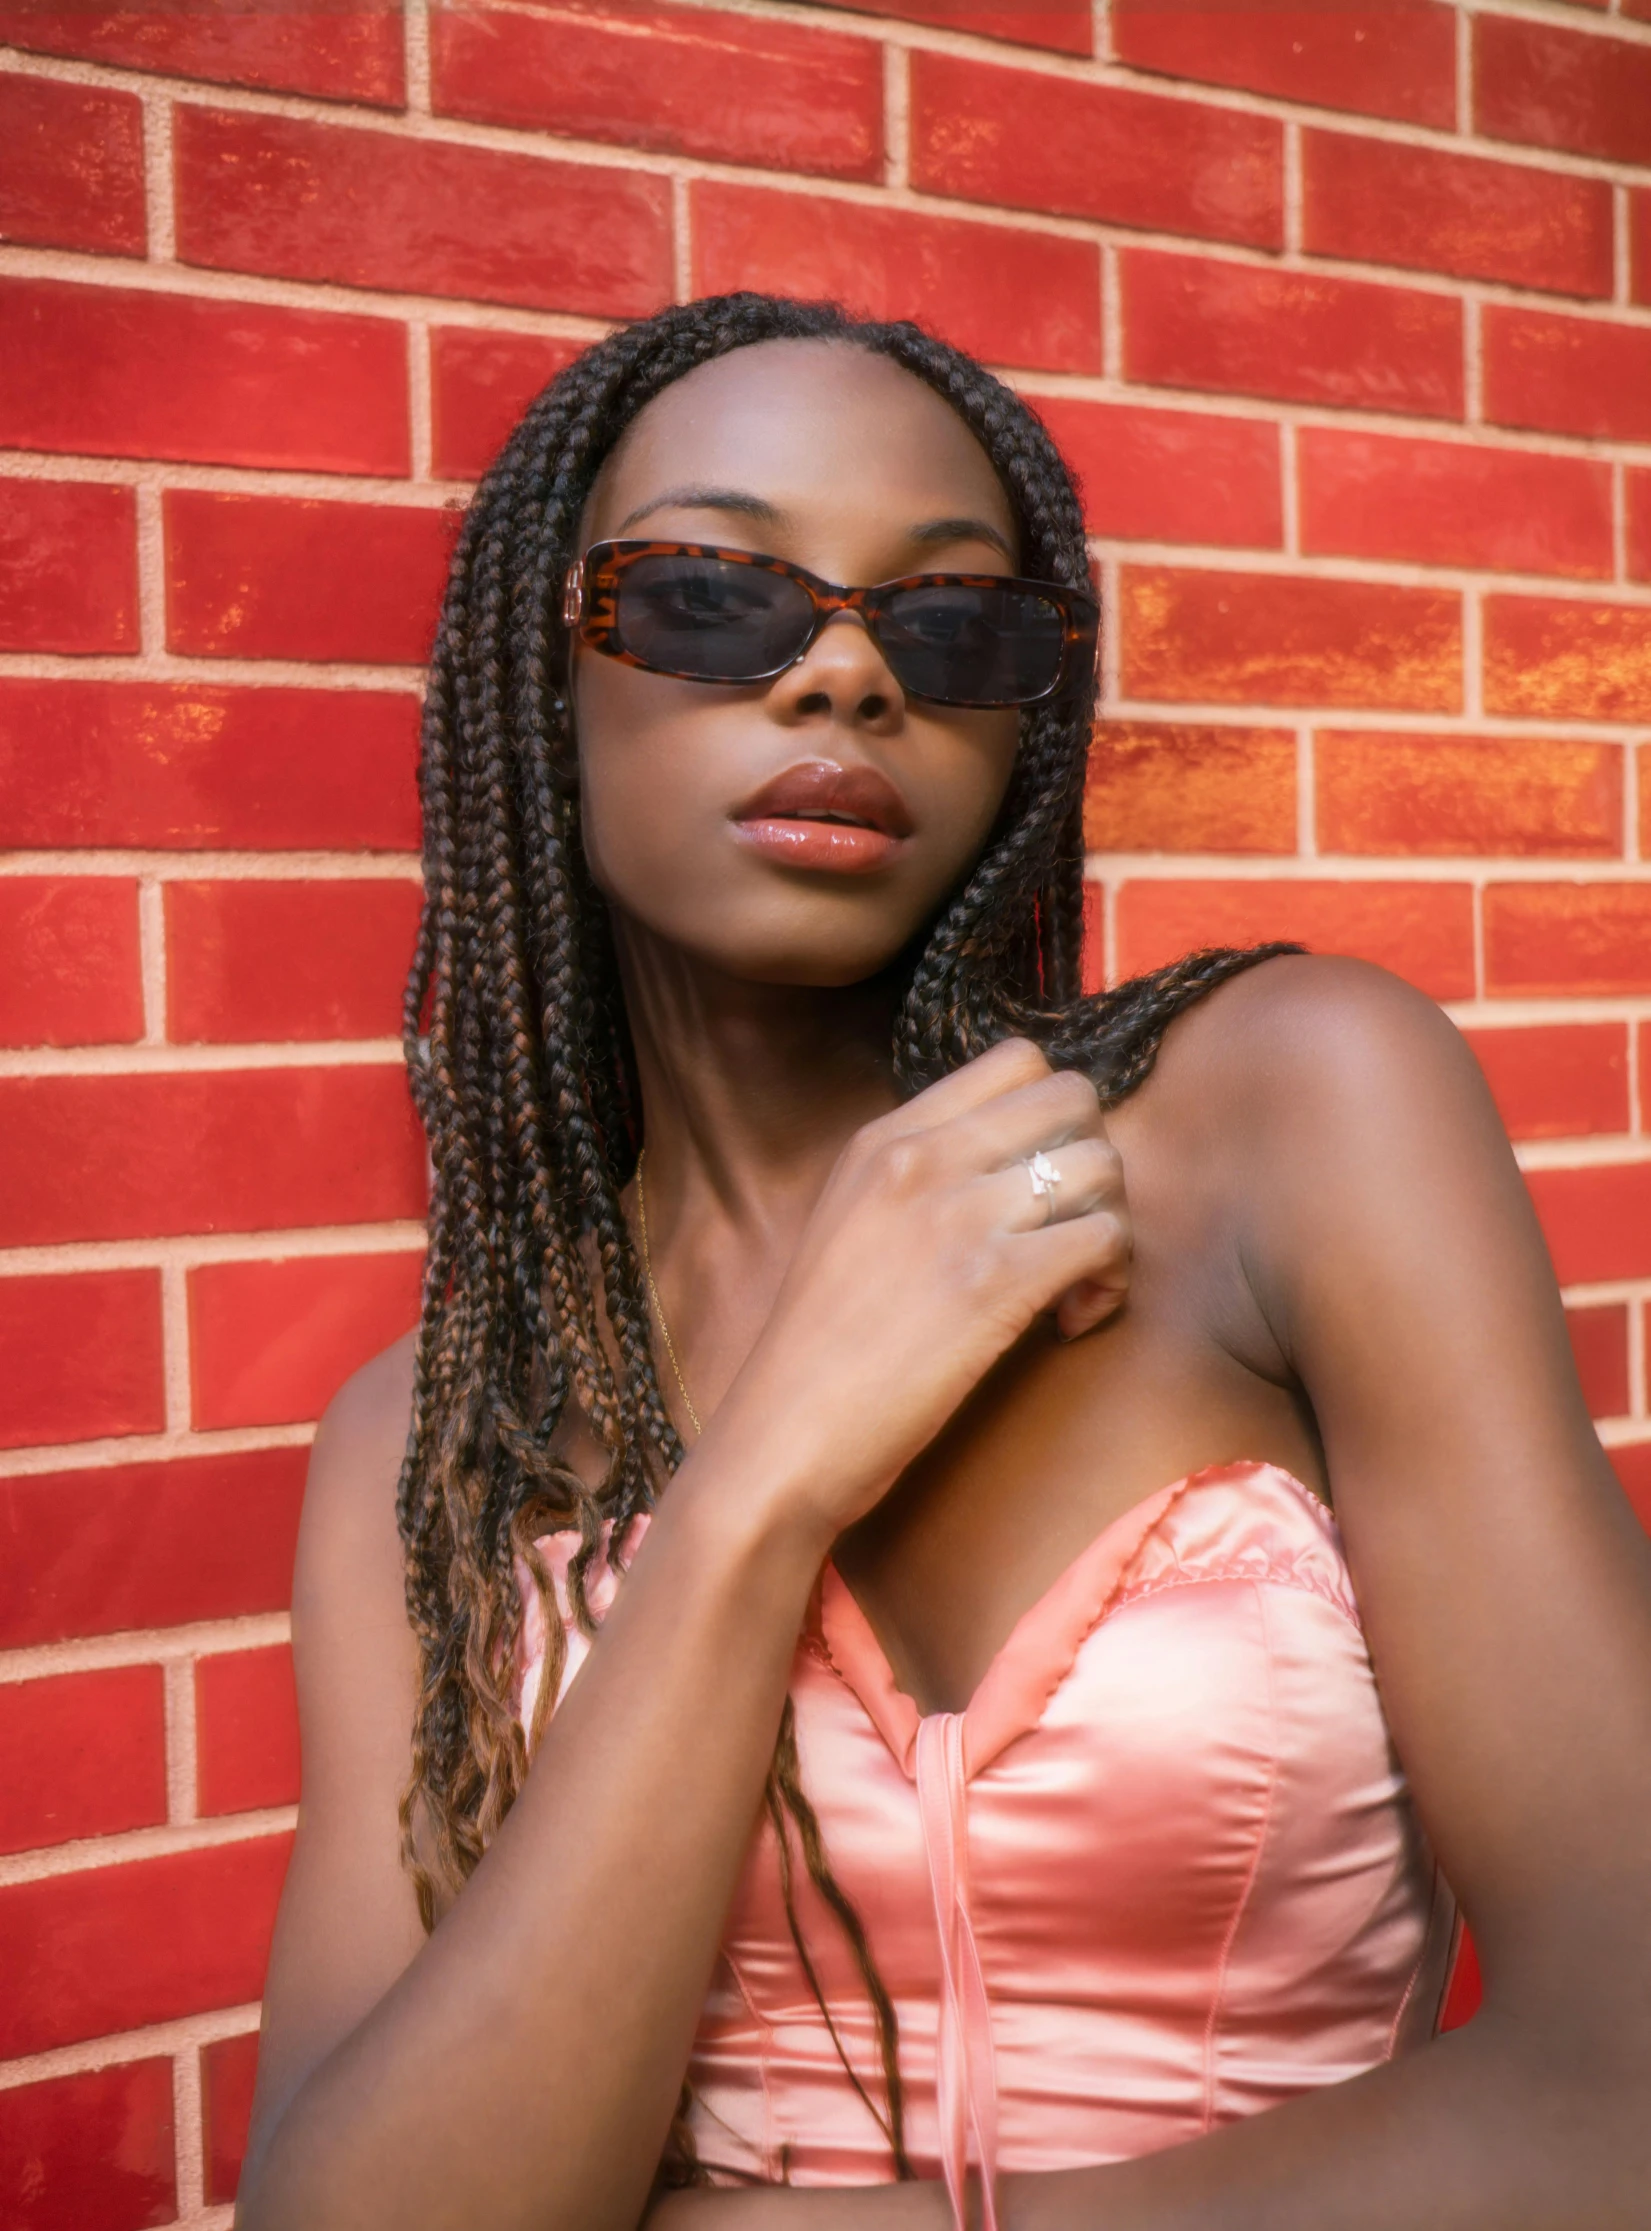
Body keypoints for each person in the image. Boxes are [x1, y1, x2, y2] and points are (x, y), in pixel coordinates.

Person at [234, 294, 1651, 2231]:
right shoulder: (431, 1447)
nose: (842, 675)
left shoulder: (1294, 1117)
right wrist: (758, 1487)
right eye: (716, 594)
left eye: (949, 619)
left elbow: (1627, 2095)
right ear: (545, 694)